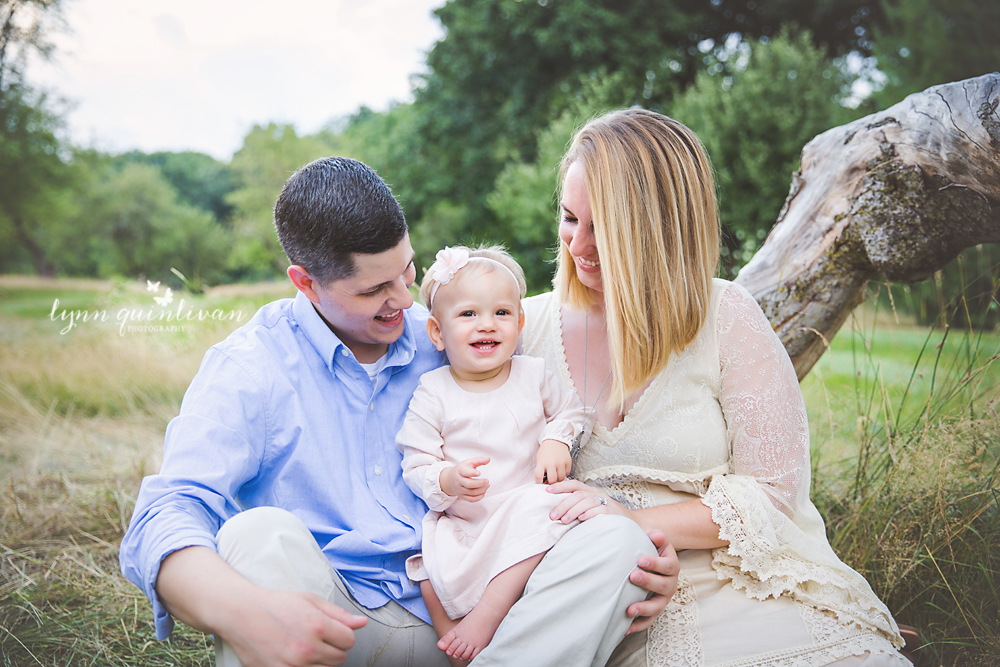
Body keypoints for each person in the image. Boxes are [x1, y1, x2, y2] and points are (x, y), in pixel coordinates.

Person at [119, 156, 679, 667]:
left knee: (618, 541)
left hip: (481, 622)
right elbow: (168, 511)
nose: (405, 302)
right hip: (335, 626)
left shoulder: (449, 336)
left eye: (407, 272)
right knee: (257, 534)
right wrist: (243, 614)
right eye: (374, 291)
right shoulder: (251, 366)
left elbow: (541, 426)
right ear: (305, 282)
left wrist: (614, 541)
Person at [520, 109, 911, 666]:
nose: (579, 245)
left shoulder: (726, 315)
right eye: (568, 218)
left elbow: (775, 493)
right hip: (593, 593)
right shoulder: (517, 330)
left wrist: (634, 524)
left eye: (602, 227)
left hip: (738, 579)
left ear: (660, 229)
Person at [397, 245, 593, 663]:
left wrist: (556, 440)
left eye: (501, 313)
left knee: (545, 512)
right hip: (468, 522)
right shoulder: (434, 391)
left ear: (519, 323)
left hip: (524, 510)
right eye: (468, 314)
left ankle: (487, 615)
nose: (487, 325)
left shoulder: (532, 374)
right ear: (437, 332)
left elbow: (572, 412)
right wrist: (448, 479)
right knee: (427, 567)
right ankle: (453, 640)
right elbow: (415, 461)